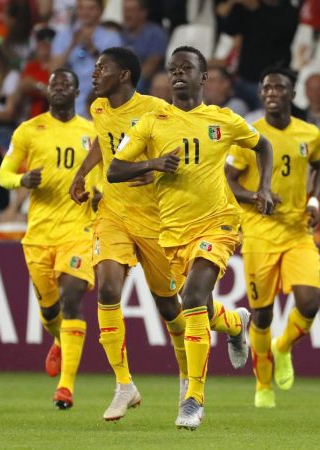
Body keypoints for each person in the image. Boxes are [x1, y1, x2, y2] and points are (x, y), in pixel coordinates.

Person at [73, 47, 244, 422]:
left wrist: (151, 169)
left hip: (159, 220)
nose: (94, 74)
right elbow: (106, 150)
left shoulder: (156, 110)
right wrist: (81, 174)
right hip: (114, 213)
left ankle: (201, 361)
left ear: (124, 75)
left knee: (175, 307)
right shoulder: (98, 109)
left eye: (102, 68)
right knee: (106, 287)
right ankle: (124, 385)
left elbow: (179, 155)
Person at [108, 46, 274, 430]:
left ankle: (193, 400)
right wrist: (151, 163)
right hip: (173, 232)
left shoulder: (223, 120)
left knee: (195, 298)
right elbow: (115, 170)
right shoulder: (151, 122)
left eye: (187, 68)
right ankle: (235, 323)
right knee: (197, 308)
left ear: (204, 78)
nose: (177, 73)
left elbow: (262, 144)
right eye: (172, 68)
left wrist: (263, 186)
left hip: (219, 222)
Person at [225, 67, 320, 409]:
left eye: (278, 87)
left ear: (291, 95)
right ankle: (263, 385)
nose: (271, 92)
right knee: (262, 315)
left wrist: (313, 201)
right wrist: (255, 196)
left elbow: (318, 167)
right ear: (260, 94)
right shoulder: (250, 134)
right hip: (259, 234)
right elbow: (228, 181)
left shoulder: (310, 133)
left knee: (310, 302)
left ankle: (283, 347)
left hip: (298, 231)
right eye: (266, 87)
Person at [0, 68, 96, 411]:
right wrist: (23, 181)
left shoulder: (92, 132)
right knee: (50, 308)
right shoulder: (29, 131)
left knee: (72, 300)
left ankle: (65, 387)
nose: (59, 88)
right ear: (48, 91)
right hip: (39, 235)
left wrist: (96, 194)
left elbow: (104, 180)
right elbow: (3, 174)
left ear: (76, 90)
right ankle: (59, 340)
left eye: (65, 84)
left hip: (79, 233)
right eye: (54, 84)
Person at [51, 0, 122, 116]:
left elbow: (113, 72)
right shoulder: (64, 36)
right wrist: (71, 45)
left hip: (98, 103)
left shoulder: (111, 37)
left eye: (91, 8)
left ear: (100, 11)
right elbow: (53, 70)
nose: (86, 13)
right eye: (82, 8)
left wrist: (91, 48)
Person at [120, 0, 168, 93]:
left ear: (143, 13)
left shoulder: (156, 33)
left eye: (132, 10)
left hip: (146, 86)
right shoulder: (121, 33)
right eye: (125, 10)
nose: (127, 14)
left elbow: (152, 64)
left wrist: (129, 85)